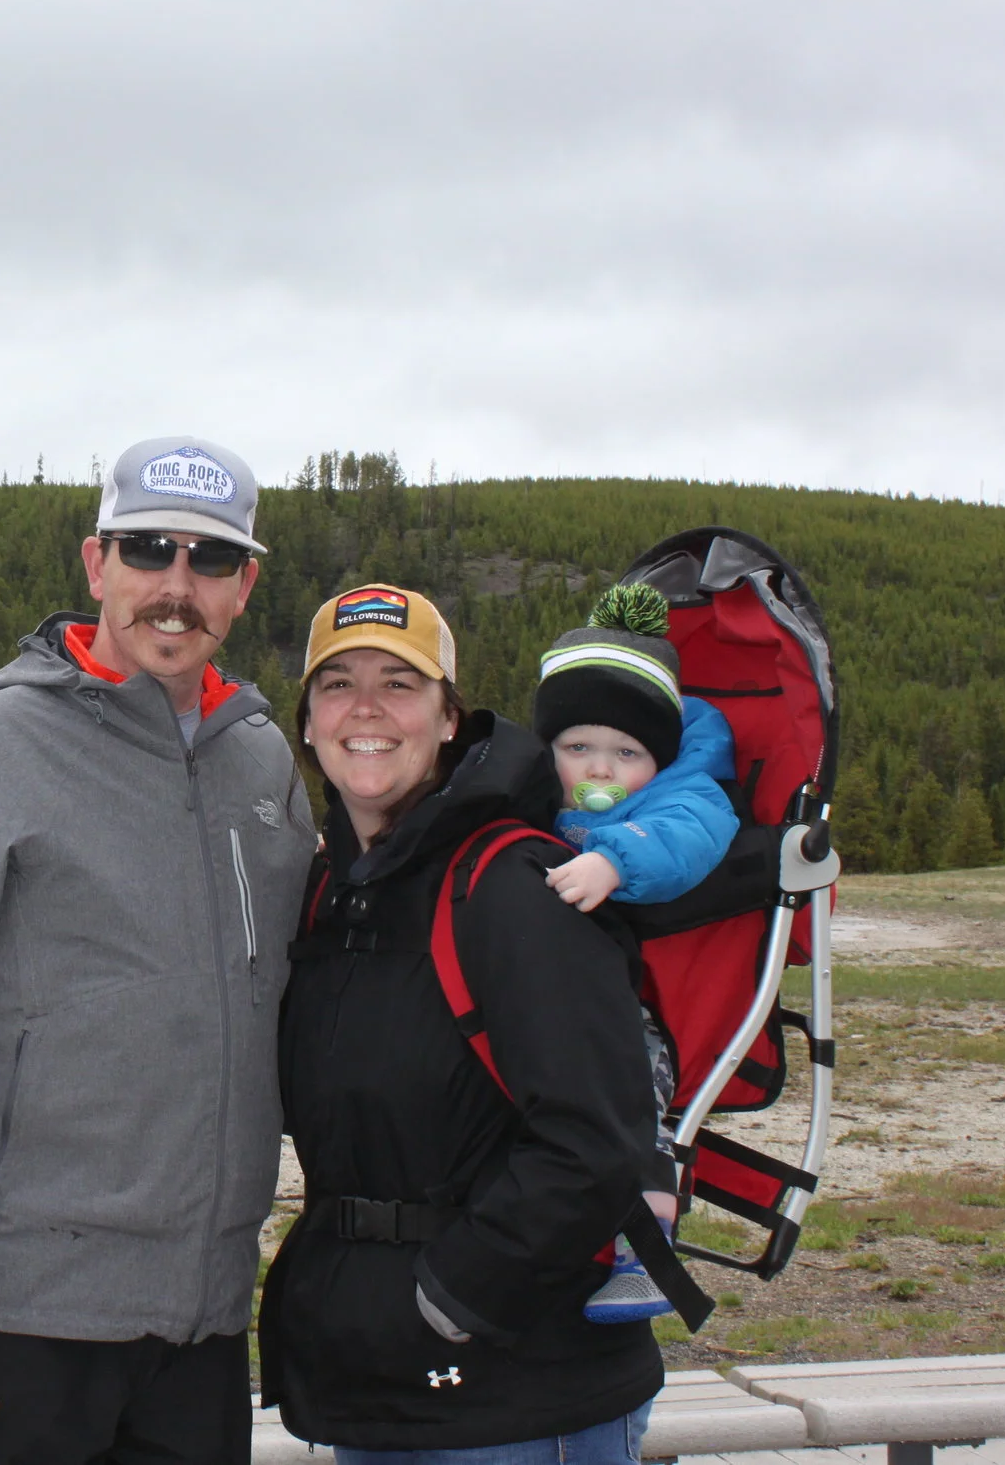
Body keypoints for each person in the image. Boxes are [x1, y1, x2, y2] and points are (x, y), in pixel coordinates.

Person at [0, 435, 316, 1465]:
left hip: (199, 1323)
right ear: (96, 565)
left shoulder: (264, 762)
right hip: (20, 1319)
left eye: (211, 559)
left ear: (244, 587)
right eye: (148, 550)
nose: (175, 586)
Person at [258, 584, 664, 1464]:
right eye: (337, 685)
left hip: (520, 1397)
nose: (366, 709)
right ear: (308, 723)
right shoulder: (335, 895)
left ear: (449, 719)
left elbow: (597, 1140)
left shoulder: (518, 885)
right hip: (383, 1383)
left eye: (400, 684)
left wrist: (448, 1299)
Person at [530, 582, 741, 1325]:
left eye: (625, 753)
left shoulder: (684, 794)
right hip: (557, 989)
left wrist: (615, 858)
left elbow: (690, 834)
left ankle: (646, 1244)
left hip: (642, 1003)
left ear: (659, 752)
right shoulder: (535, 792)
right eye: (577, 748)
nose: (600, 770)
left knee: (632, 1082)